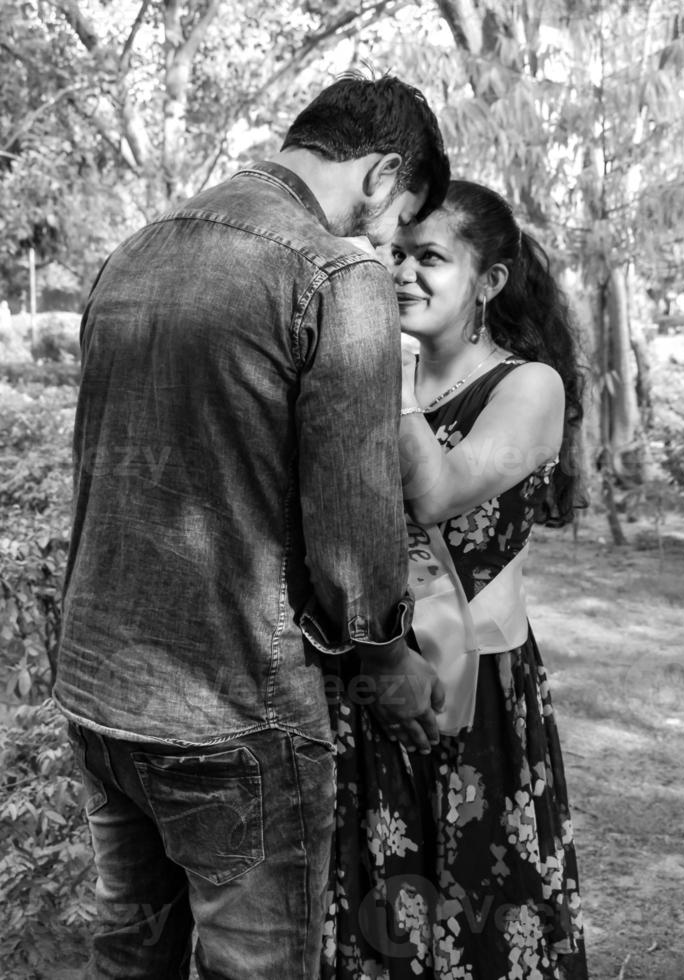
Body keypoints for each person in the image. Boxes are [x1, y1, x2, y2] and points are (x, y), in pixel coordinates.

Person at [53, 74, 450, 980]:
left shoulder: (138, 249)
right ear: (384, 175)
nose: (385, 249)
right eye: (397, 226)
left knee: (129, 960)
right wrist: (388, 657)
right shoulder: (332, 271)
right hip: (233, 708)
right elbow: (353, 518)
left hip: (99, 689)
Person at [323, 180, 588, 978]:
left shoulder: (528, 387)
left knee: (476, 913)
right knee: (369, 908)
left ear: (491, 280)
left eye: (429, 257)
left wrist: (389, 381)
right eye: (393, 253)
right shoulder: (364, 375)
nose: (401, 273)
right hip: (363, 678)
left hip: (473, 694)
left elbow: (437, 488)